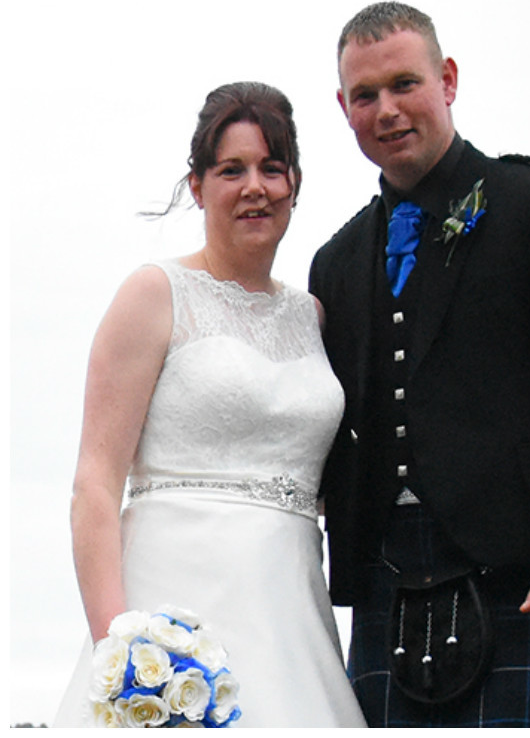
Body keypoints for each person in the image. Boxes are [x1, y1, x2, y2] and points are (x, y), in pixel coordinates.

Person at [309, 1, 530, 727]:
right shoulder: (336, 261)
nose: (386, 110)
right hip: (387, 576)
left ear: (447, 80)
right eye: (365, 96)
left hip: (522, 573)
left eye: (404, 84)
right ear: (344, 108)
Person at [53, 82, 366, 727]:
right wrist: (125, 652)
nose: (256, 187)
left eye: (272, 168)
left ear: (295, 183)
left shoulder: (312, 316)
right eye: (232, 170)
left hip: (292, 620)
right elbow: (95, 484)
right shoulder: (153, 294)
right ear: (196, 186)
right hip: (173, 624)